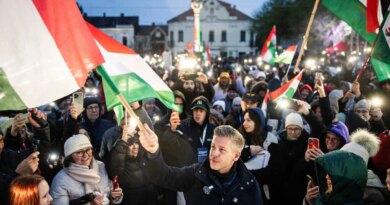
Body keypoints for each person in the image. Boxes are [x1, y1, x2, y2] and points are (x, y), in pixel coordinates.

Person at [139, 124, 263, 205]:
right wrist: (153, 151)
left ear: (236, 155)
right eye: (213, 147)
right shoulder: (196, 173)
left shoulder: (249, 184)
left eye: (222, 150)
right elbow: (163, 175)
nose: (214, 153)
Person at [50, 134, 123, 205]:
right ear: (70, 157)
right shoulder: (61, 180)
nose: (85, 155)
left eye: (88, 149)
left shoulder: (101, 166)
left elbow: (109, 194)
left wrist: (114, 197)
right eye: (79, 152)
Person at [108, 130, 158, 205]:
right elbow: (116, 169)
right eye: (131, 144)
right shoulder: (119, 162)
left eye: (137, 143)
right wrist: (123, 142)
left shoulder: (143, 158)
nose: (135, 147)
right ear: (124, 147)